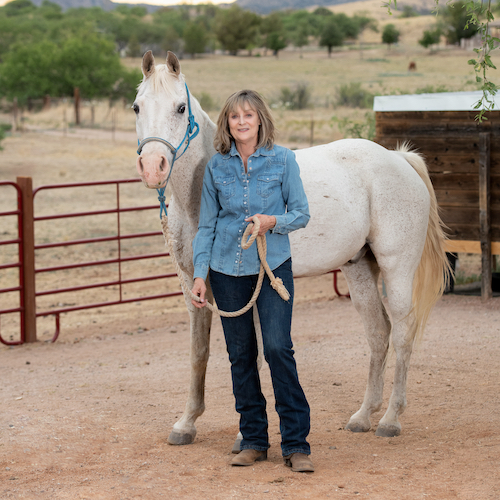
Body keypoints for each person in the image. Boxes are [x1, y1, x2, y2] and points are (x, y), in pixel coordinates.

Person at [191, 89, 313, 473]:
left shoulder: (283, 160)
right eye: (234, 117)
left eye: (248, 115)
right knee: (240, 355)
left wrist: (271, 222)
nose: (241, 122)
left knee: (278, 349)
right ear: (227, 123)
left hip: (272, 266)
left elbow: (302, 213)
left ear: (260, 119)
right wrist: (199, 274)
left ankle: (296, 444)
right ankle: (255, 439)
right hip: (225, 271)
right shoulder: (216, 167)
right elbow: (207, 225)